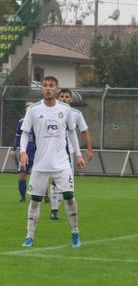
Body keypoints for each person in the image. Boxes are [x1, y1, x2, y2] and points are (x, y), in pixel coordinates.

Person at [19, 76, 86, 248]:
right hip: (40, 164)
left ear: (57, 89)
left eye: (51, 86)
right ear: (42, 89)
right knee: (35, 201)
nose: (48, 88)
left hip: (61, 163)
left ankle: (75, 233)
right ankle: (29, 236)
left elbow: (72, 132)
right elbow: (25, 132)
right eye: (45, 86)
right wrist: (23, 152)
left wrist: (78, 155)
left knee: (70, 197)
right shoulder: (33, 110)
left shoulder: (65, 109)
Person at [49, 88, 94, 220]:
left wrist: (89, 149)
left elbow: (84, 131)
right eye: (61, 96)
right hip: (53, 151)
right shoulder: (51, 112)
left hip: (69, 152)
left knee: (67, 182)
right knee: (54, 180)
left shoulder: (76, 114)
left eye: (66, 96)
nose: (63, 98)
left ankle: (69, 210)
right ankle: (54, 209)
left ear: (70, 99)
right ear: (58, 98)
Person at [12, 102, 35, 202]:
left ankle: (45, 194)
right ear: (25, 109)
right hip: (25, 153)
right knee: (22, 175)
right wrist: (13, 149)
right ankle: (23, 197)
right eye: (27, 106)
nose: (29, 108)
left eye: (31, 106)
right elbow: (17, 136)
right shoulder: (21, 122)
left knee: (39, 175)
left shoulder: (39, 121)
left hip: (37, 152)